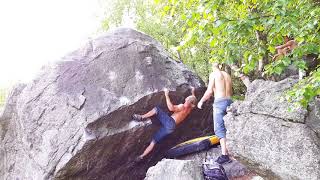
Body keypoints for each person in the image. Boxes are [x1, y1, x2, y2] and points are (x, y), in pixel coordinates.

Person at [132, 87, 197, 162]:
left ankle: (141, 117)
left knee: (156, 110)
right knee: (154, 141)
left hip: (170, 121)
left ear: (187, 100)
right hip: (171, 128)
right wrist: (193, 92)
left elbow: (171, 108)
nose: (186, 98)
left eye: (187, 98)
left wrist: (166, 95)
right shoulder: (189, 109)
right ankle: (141, 156)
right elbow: (193, 100)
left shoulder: (182, 106)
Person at [197, 62, 233, 164]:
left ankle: (224, 155)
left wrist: (201, 101)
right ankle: (231, 150)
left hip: (219, 103)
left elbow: (209, 92)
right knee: (228, 127)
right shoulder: (227, 75)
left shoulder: (214, 74)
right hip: (229, 101)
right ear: (220, 66)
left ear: (213, 67)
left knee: (220, 129)